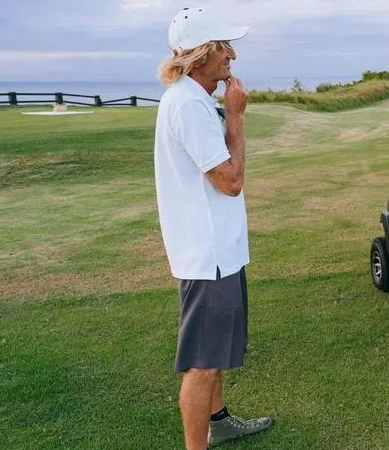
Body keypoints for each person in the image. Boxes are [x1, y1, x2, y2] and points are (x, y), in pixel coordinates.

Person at [154, 7, 272, 450]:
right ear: (202, 53)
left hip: (217, 252)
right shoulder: (187, 103)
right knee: (202, 363)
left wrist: (227, 112)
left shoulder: (196, 99)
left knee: (215, 349)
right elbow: (231, 181)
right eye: (223, 46)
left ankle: (217, 421)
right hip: (208, 257)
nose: (232, 56)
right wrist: (236, 116)